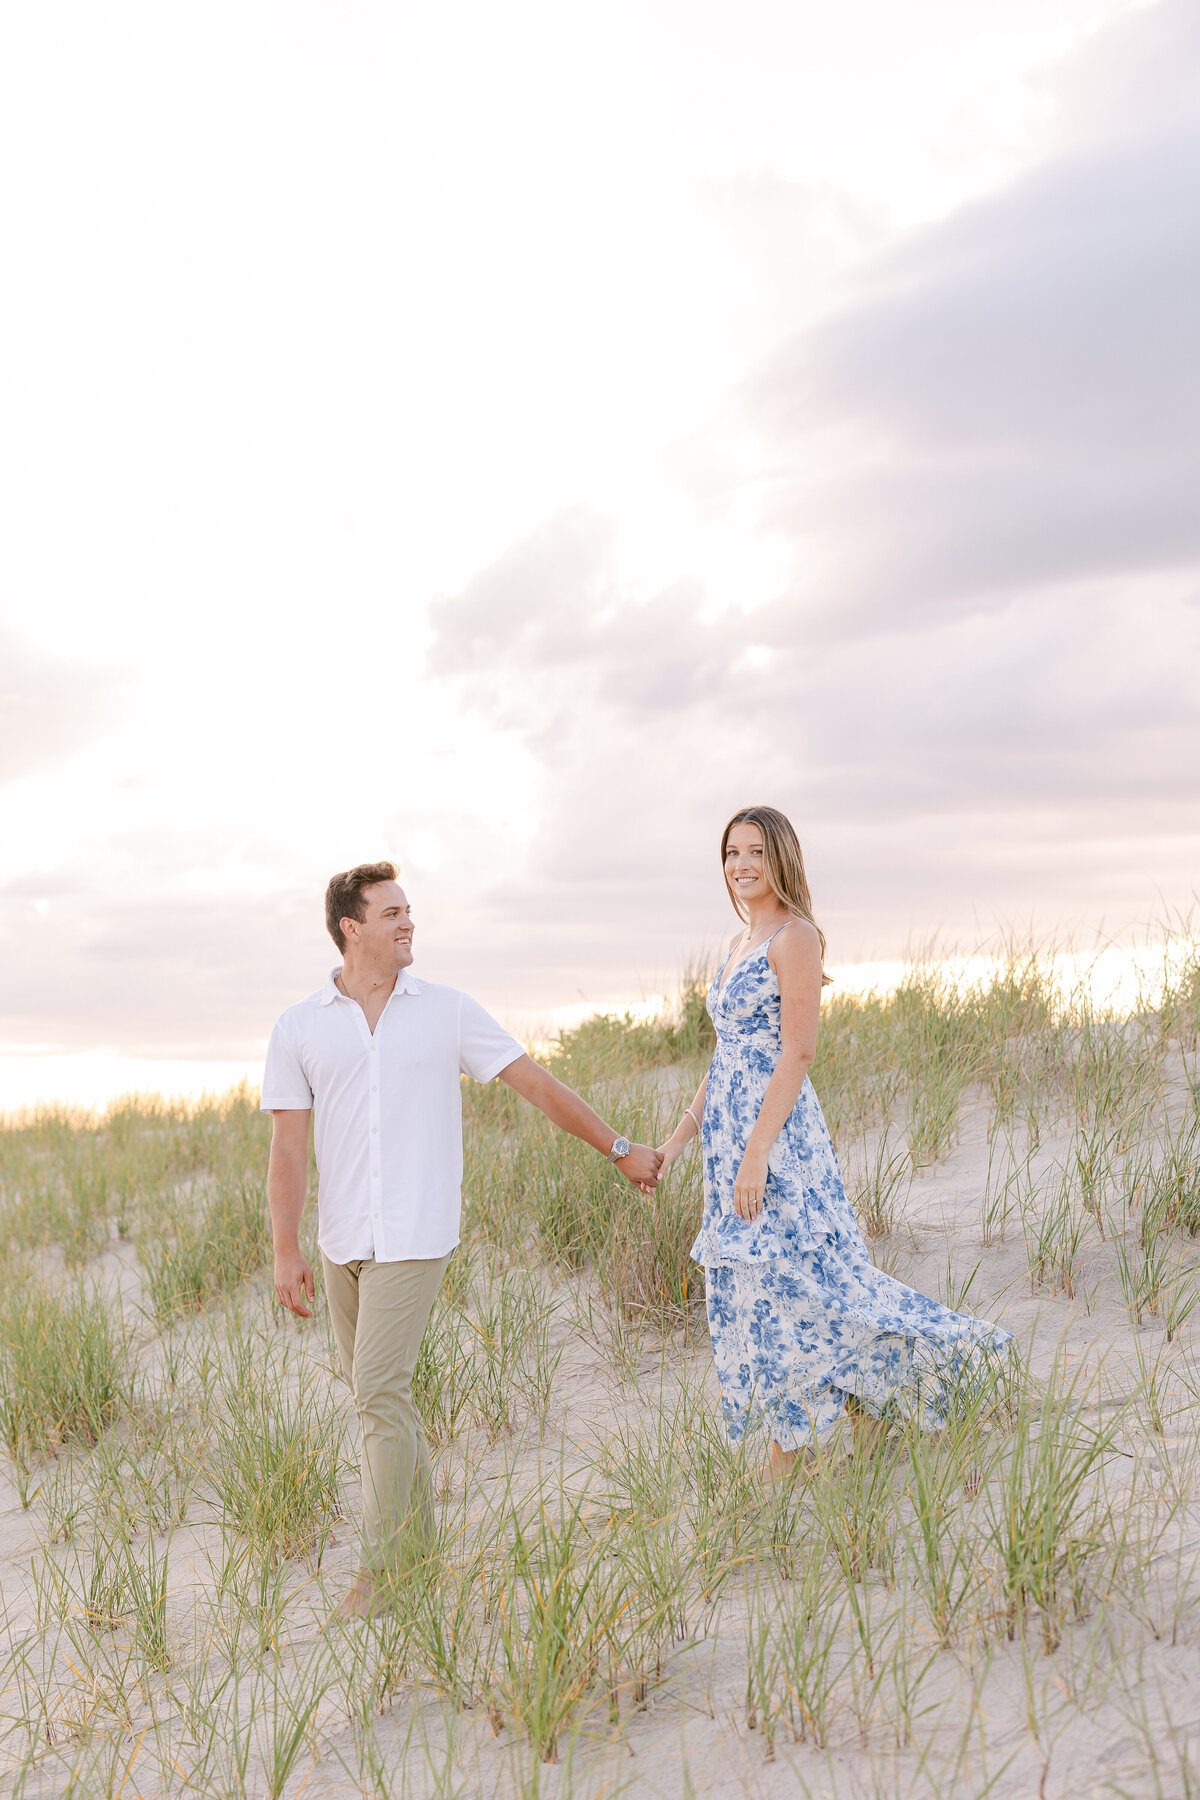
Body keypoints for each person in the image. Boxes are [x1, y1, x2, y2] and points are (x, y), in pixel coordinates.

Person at [264, 860, 661, 1619]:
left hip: (416, 1232)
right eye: (391, 914)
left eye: (409, 911)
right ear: (352, 928)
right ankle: (421, 1558)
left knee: (377, 1391)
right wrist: (287, 1251)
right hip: (341, 1238)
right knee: (382, 1400)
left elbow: (536, 1084)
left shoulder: (445, 1011)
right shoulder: (300, 1025)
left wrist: (618, 1149)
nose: (408, 923)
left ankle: (383, 1577)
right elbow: (286, 1148)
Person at [655, 807, 1012, 1480]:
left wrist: (758, 1151)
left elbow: (797, 1051)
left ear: (781, 857)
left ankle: (794, 1448)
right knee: (784, 1287)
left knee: (801, 1282)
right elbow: (725, 1059)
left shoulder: (795, 936)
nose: (741, 865)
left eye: (755, 851)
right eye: (731, 852)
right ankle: (864, 1415)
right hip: (730, 1138)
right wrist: (677, 1145)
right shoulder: (738, 941)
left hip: (779, 1140)